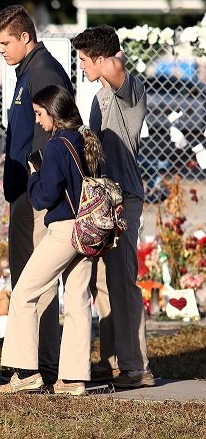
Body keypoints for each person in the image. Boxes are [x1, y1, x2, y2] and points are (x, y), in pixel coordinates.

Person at [0, 5, 72, 385]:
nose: (1, 50)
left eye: (5, 42)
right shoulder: (25, 70)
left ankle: (39, 366)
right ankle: (36, 361)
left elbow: (51, 136)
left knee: (35, 283)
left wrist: (38, 192)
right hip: (23, 193)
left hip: (37, 196)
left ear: (25, 37)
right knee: (26, 278)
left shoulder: (44, 71)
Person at [0, 85, 101, 396]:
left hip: (64, 230)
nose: (38, 121)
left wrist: (33, 174)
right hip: (88, 229)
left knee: (24, 293)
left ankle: (26, 371)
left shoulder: (56, 146)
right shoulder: (82, 140)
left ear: (54, 114)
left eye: (40, 114)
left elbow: (45, 196)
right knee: (78, 301)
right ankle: (73, 377)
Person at [73, 25, 153, 388]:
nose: (82, 65)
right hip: (103, 199)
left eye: (85, 59)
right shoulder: (96, 98)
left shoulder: (129, 91)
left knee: (123, 282)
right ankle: (111, 360)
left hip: (125, 199)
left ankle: (136, 366)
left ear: (103, 59)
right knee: (103, 284)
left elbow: (116, 70)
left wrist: (109, 55)